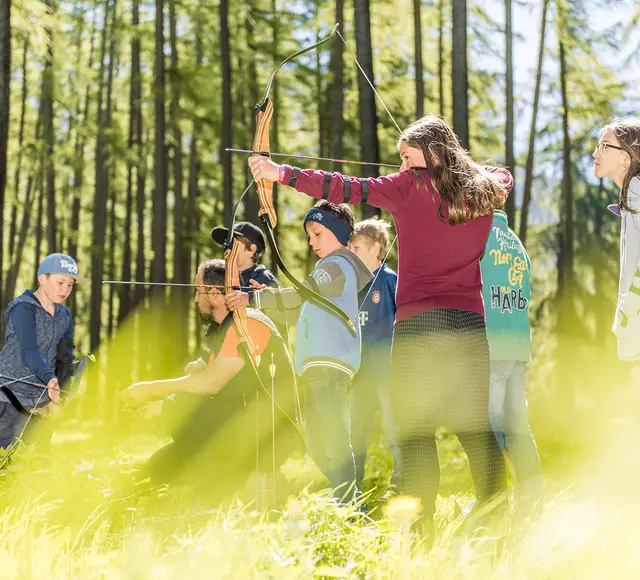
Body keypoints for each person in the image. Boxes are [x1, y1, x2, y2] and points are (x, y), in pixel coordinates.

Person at [248, 114, 512, 533]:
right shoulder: (484, 191)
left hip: (418, 327)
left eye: (407, 157)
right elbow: (503, 175)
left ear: (429, 153)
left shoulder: (409, 186)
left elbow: (346, 188)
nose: (402, 167)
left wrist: (280, 172)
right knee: (474, 427)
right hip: (467, 325)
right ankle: (497, 521)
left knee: (415, 432)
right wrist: (453, 170)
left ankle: (421, 532)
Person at [120, 259, 301, 502]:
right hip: (241, 426)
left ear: (215, 295)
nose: (195, 299)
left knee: (186, 409)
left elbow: (212, 384)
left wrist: (151, 391)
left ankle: (247, 487)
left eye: (198, 291)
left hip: (267, 435)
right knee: (151, 472)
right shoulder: (227, 328)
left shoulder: (248, 323)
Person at [228, 200, 372, 501]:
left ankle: (350, 503)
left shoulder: (337, 265)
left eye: (318, 233)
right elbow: (295, 309)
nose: (311, 241)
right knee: (316, 437)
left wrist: (254, 300)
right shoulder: (331, 269)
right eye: (309, 235)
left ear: (336, 232)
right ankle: (344, 495)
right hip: (318, 363)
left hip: (329, 361)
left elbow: (301, 293)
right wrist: (265, 297)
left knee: (332, 435)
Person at [481, 210, 543, 504]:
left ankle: (494, 501)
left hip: (493, 344)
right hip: (518, 348)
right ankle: (532, 500)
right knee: (518, 427)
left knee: (490, 427)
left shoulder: (480, 237)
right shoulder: (516, 244)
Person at [0, 253, 82, 448]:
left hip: (41, 404)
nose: (65, 290)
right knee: (6, 463)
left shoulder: (64, 315)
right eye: (60, 282)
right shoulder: (22, 308)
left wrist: (59, 395)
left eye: (70, 285)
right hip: (9, 399)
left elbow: (65, 357)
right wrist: (50, 379)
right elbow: (29, 351)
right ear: (42, 279)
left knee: (37, 462)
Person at [348, 219, 402, 488]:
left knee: (393, 427)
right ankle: (352, 486)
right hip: (359, 372)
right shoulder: (351, 284)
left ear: (376, 247)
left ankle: (402, 483)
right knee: (356, 430)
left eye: (356, 247)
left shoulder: (391, 280)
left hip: (388, 372)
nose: (351, 253)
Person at [593, 120, 640, 362]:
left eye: (605, 146)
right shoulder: (630, 193)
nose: (595, 153)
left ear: (627, 157)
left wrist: (630, 302)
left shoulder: (636, 188)